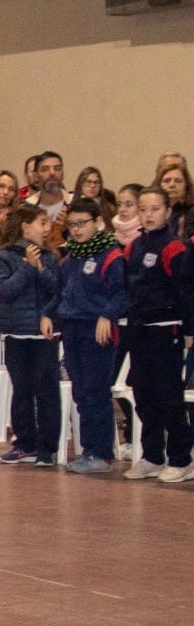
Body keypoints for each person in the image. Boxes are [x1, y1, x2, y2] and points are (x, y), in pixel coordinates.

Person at [46, 198, 126, 475]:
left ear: (98, 222)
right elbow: (59, 294)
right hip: (71, 329)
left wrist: (108, 315)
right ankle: (88, 450)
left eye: (82, 224)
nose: (77, 230)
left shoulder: (111, 256)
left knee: (96, 391)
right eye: (72, 225)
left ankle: (102, 454)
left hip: (97, 329)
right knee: (81, 391)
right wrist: (48, 314)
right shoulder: (69, 259)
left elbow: (121, 293)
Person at [120, 185, 192, 482]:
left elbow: (186, 292)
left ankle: (181, 458)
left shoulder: (174, 248)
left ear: (168, 212)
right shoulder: (133, 247)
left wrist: (189, 329)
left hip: (166, 330)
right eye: (144, 209)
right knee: (143, 395)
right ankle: (152, 455)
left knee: (168, 396)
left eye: (155, 209)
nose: (149, 215)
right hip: (139, 329)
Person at [0, 205, 61, 467]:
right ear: (25, 226)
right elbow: (6, 291)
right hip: (17, 333)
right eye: (42, 222)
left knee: (46, 390)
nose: (47, 228)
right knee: (21, 391)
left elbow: (56, 290)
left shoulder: (51, 256)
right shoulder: (5, 256)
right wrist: (28, 269)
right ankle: (25, 444)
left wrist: (40, 268)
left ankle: (46, 448)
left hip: (45, 336)